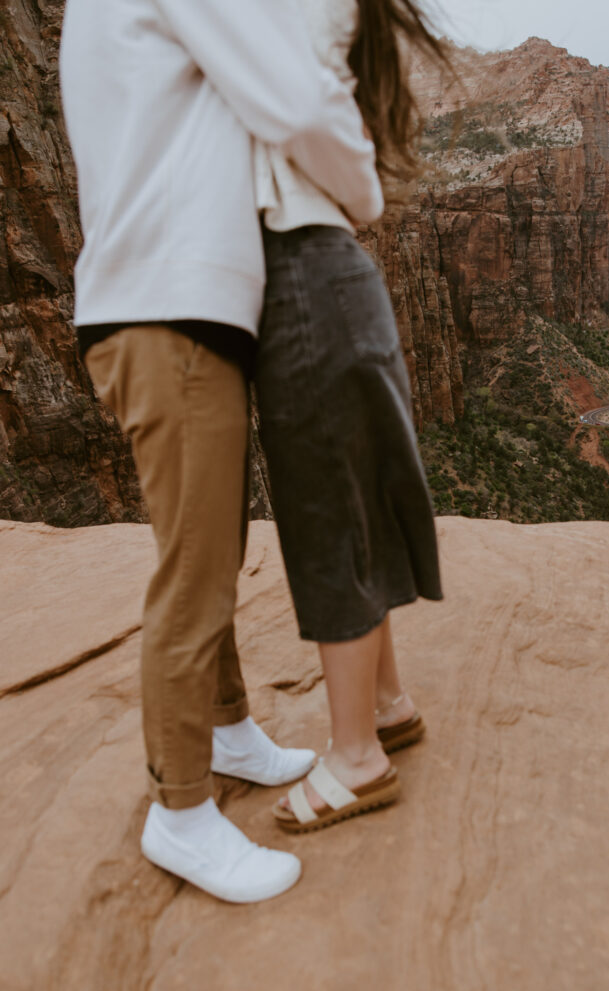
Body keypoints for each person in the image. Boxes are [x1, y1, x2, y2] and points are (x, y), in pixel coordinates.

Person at [59, 0, 384, 903]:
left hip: (163, 302)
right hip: (168, 308)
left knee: (212, 543)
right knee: (199, 568)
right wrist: (366, 195)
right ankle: (182, 811)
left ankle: (229, 728)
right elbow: (295, 104)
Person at [252, 0, 446, 833]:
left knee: (328, 509)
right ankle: (388, 704)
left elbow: (310, 123)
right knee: (355, 500)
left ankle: (355, 756)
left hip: (303, 277)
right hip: (326, 279)